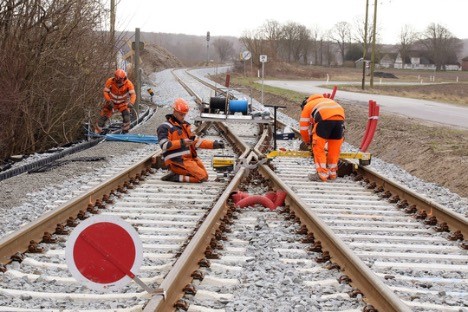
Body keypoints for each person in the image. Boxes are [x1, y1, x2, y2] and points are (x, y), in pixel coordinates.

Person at [157, 98, 225, 182]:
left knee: (205, 176)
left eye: (184, 114)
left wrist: (214, 144)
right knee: (201, 177)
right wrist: (182, 143)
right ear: (174, 112)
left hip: (188, 159)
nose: (183, 117)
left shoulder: (185, 126)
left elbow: (196, 142)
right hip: (176, 161)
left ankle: (178, 175)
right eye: (181, 114)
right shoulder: (164, 127)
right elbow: (164, 145)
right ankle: (175, 177)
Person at [299, 94, 345, 182]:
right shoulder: (326, 101)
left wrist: (308, 141)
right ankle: (332, 173)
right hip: (340, 119)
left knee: (318, 148)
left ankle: (322, 174)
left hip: (324, 120)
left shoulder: (308, 105)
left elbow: (304, 129)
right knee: (334, 149)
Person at [95, 69, 136, 134]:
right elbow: (105, 92)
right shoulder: (110, 81)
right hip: (112, 103)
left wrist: (131, 103)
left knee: (126, 116)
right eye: (117, 80)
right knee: (104, 116)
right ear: (115, 78)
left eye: (121, 80)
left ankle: (125, 131)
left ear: (124, 78)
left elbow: (133, 94)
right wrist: (109, 101)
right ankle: (97, 132)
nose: (119, 82)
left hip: (123, 103)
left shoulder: (129, 84)